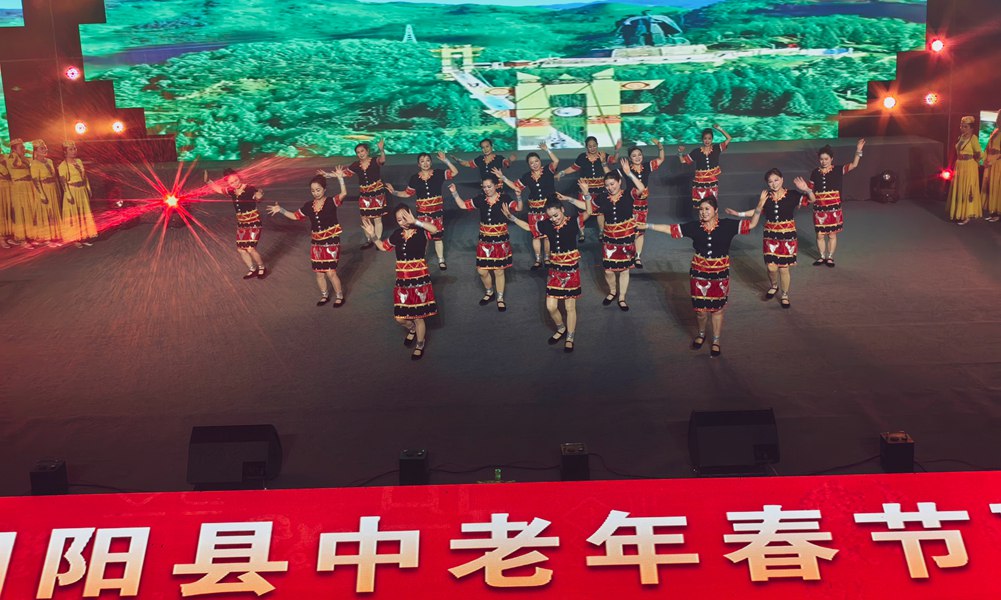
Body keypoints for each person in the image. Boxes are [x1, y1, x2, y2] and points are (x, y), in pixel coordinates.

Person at [641, 196, 760, 357]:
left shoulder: (727, 225)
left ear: (715, 210)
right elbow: (670, 229)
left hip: (719, 274)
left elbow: (752, 224)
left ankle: (716, 340)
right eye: (701, 210)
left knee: (717, 310)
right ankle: (701, 334)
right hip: (699, 273)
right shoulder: (694, 227)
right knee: (700, 311)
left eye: (707, 209)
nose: (703, 212)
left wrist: (760, 205)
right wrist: (648, 225)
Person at [503, 189, 589, 352]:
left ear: (562, 210)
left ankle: (570, 336)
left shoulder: (573, 222)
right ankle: (561, 328)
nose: (554, 219)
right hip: (555, 271)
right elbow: (529, 227)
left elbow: (589, 211)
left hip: (571, 270)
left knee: (570, 307)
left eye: (556, 215)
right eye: (551, 217)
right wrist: (512, 218)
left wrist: (584, 195)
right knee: (551, 306)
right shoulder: (547, 225)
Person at [726, 169, 815, 309]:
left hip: (787, 236)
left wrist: (807, 190)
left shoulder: (792, 194)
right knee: (771, 267)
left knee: (784, 268)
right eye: (770, 182)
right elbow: (757, 211)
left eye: (776, 180)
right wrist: (738, 213)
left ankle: (785, 295)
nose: (774, 184)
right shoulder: (766, 196)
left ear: (782, 179)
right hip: (770, 236)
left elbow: (812, 200)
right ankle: (774, 286)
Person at [363, 204, 439, 360]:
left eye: (405, 217)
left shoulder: (422, 231)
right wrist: (373, 236)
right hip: (402, 280)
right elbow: (383, 247)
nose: (403, 222)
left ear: (410, 214)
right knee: (400, 318)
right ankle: (412, 329)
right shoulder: (397, 234)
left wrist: (416, 221)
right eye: (399, 220)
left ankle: (420, 343)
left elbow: (435, 229)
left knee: (418, 316)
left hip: (419, 279)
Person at [267, 172, 348, 306]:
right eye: (313, 190)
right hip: (316, 243)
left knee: (330, 272)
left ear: (324, 189)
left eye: (318, 190)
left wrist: (340, 178)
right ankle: (324, 296)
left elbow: (344, 193)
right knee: (319, 273)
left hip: (331, 241)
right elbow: (295, 216)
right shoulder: (308, 205)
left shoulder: (331, 201)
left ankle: (339, 296)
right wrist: (281, 210)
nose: (315, 193)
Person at [448, 174, 520, 311]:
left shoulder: (504, 198)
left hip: (500, 240)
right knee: (482, 271)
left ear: (496, 186)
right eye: (484, 187)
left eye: (489, 186)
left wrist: (519, 196)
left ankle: (500, 298)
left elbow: (518, 208)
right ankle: (489, 292)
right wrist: (454, 192)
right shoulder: (481, 199)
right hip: (485, 240)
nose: (486, 189)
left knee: (499, 271)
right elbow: (463, 205)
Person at [580, 163, 645, 311]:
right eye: (607, 185)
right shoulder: (602, 197)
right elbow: (589, 209)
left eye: (612, 184)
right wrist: (585, 193)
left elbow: (641, 189)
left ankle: (622, 297)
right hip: (609, 239)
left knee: (624, 270)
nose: (610, 187)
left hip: (626, 238)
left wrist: (629, 173)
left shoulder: (628, 194)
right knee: (608, 270)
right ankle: (612, 292)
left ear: (619, 182)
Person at [385, 151, 458, 270]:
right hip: (422, 214)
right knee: (423, 237)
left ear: (431, 162)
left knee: (438, 236)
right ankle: (421, 258)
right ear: (419, 164)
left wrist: (446, 160)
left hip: (437, 212)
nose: (425, 163)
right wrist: (394, 192)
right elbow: (407, 193)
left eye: (428, 160)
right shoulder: (414, 178)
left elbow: (455, 172)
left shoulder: (438, 173)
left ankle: (441, 259)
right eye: (422, 161)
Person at [494, 142, 560, 269]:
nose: (534, 164)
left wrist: (547, 150)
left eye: (536, 161)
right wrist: (503, 177)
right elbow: (515, 186)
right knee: (535, 235)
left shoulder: (548, 170)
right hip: (534, 209)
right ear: (529, 165)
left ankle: (547, 258)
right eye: (531, 163)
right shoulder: (527, 176)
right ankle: (538, 259)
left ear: (540, 161)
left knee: (547, 235)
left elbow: (556, 161)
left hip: (549, 208)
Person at [807, 139, 865, 265]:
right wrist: (805, 198)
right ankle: (822, 256)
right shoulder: (815, 172)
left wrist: (858, 150)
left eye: (826, 159)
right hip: (819, 208)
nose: (823, 161)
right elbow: (810, 189)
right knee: (820, 235)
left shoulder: (838, 169)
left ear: (831, 159)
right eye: (821, 159)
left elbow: (854, 165)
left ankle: (830, 257)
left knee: (832, 235)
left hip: (833, 208)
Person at [320, 139, 386, 248]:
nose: (360, 154)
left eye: (362, 151)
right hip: (364, 195)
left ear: (367, 151)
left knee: (377, 218)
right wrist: (328, 175)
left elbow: (382, 160)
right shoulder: (356, 165)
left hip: (377, 193)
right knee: (365, 218)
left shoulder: (375, 161)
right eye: (358, 152)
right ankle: (369, 240)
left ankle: (377, 242)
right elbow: (344, 173)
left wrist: (381, 150)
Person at [609, 139, 664, 267]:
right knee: (629, 230)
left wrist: (660, 147)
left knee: (640, 230)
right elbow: (609, 175)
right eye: (634, 156)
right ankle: (626, 254)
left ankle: (637, 257)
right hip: (630, 204)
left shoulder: (647, 166)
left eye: (639, 155)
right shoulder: (626, 169)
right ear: (630, 158)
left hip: (643, 205)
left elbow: (661, 159)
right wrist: (614, 154)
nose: (637, 157)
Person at [206, 168, 266, 277]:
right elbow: (219, 189)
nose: (235, 184)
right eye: (231, 182)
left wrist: (259, 195)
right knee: (241, 249)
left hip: (254, 222)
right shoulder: (232, 190)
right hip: (242, 224)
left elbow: (258, 197)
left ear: (239, 177)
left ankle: (261, 267)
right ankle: (252, 269)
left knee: (250, 248)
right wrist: (208, 181)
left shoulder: (249, 188)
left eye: (236, 180)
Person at [556, 135, 611, 241]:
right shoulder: (582, 157)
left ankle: (601, 232)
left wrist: (617, 151)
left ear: (597, 145)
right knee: (583, 211)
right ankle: (581, 232)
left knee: (600, 212)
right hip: (585, 190)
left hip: (600, 190)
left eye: (594, 146)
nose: (592, 148)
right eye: (590, 146)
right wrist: (562, 173)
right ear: (586, 147)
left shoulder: (602, 155)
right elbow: (573, 168)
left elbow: (614, 160)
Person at [678, 124, 732, 210]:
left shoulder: (717, 148)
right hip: (700, 182)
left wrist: (719, 128)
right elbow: (683, 161)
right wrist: (680, 152)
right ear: (702, 139)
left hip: (712, 181)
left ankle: (713, 219)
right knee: (701, 206)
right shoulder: (696, 152)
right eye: (705, 138)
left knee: (712, 204)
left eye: (709, 138)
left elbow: (729, 138)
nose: (707, 141)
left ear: (712, 139)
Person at [57, 140, 97, 248]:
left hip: (82, 190)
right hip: (72, 191)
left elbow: (84, 176)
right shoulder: (63, 165)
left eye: (75, 148)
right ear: (65, 152)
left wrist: (88, 188)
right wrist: (68, 195)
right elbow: (63, 182)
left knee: (83, 213)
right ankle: (76, 238)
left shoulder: (79, 161)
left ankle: (84, 236)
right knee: (74, 215)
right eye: (71, 149)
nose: (74, 151)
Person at [29, 139, 63, 246]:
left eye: (45, 148)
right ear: (36, 151)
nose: (45, 150)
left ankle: (54, 236)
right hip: (44, 190)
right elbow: (35, 181)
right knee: (46, 213)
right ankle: (47, 238)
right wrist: (42, 195)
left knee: (53, 212)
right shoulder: (34, 163)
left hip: (52, 189)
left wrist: (58, 190)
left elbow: (54, 177)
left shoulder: (50, 161)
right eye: (42, 148)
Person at [6, 139, 35, 248]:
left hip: (28, 186)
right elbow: (17, 165)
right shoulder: (12, 157)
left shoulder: (24, 158)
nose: (24, 149)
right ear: (14, 149)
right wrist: (21, 155)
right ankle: (21, 238)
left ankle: (29, 235)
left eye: (23, 147)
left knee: (28, 210)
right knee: (20, 212)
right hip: (19, 186)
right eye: (21, 147)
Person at [450, 138, 516, 182]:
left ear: (492, 147)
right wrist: (457, 160)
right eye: (483, 147)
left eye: (487, 146)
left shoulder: (499, 158)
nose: (485, 149)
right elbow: (467, 163)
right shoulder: (480, 159)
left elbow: (507, 163)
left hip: (497, 191)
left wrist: (510, 160)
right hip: (485, 189)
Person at [984, 112, 1001, 222]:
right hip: (991, 161)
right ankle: (993, 210)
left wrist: (994, 159)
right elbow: (988, 147)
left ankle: (997, 212)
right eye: (998, 117)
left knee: (997, 186)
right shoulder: (995, 131)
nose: (998, 120)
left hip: (998, 163)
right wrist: (985, 159)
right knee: (991, 186)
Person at [0, 148, 11, 248]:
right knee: (2, 212)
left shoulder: (6, 157)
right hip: (1, 189)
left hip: (9, 188)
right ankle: (2, 238)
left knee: (9, 211)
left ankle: (9, 235)